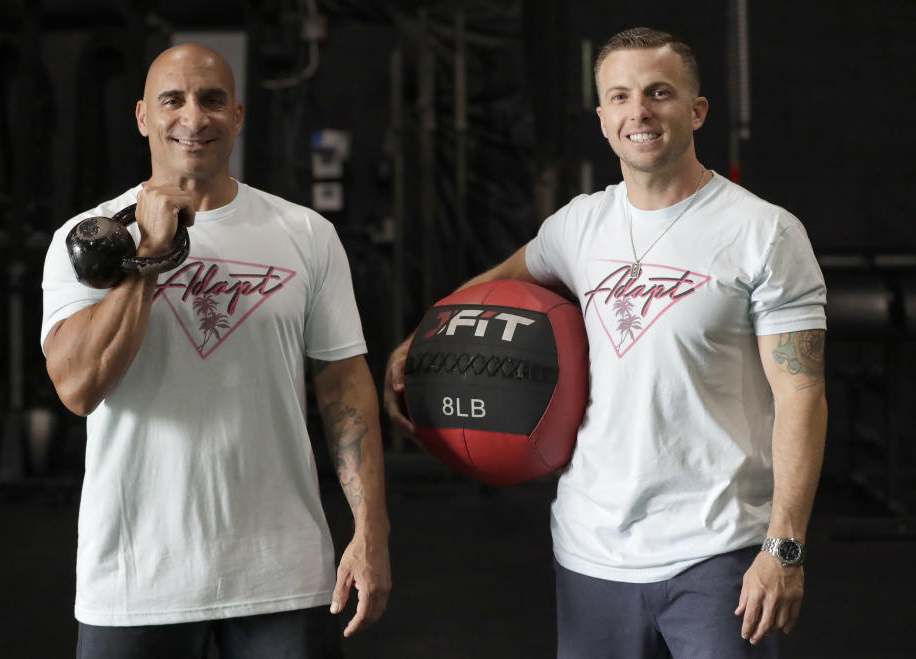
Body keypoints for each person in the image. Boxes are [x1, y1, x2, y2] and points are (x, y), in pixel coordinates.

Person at [385, 27, 826, 658]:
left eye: (659, 92)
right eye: (619, 96)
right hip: (591, 552)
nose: (638, 111)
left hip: (719, 554)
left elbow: (802, 396)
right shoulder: (578, 224)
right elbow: (503, 280)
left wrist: (784, 547)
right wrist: (419, 339)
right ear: (602, 117)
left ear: (697, 110)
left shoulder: (764, 233)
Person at [41, 44, 390, 658]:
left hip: (281, 576)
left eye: (212, 100)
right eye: (173, 100)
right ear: (144, 116)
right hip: (134, 579)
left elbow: (342, 383)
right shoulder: (89, 237)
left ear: (238, 115)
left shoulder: (305, 234)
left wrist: (371, 530)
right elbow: (78, 387)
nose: (193, 118)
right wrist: (149, 253)